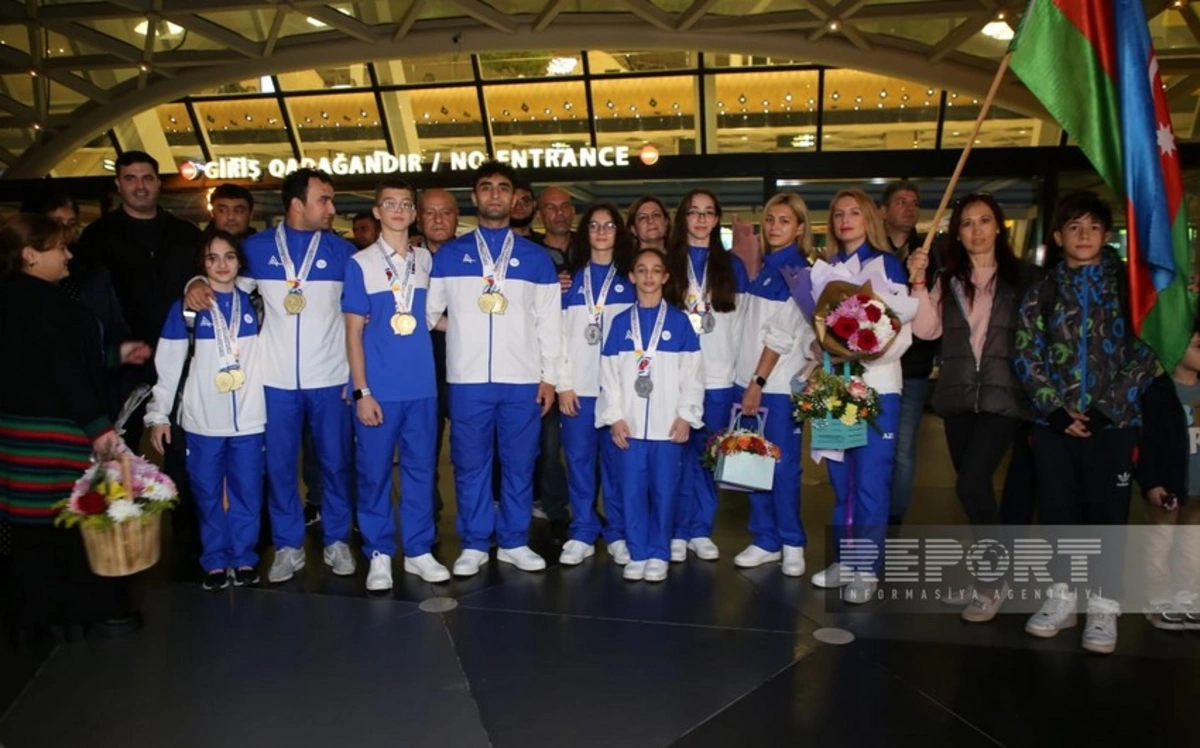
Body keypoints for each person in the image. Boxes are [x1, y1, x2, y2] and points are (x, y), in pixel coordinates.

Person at [185, 168, 357, 585]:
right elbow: (221, 287)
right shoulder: (257, 250)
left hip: (330, 377)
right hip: (273, 381)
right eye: (324, 200)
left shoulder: (344, 252)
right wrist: (193, 282)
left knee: (335, 464)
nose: (332, 208)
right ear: (297, 204)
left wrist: (357, 378)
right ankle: (287, 545)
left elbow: (359, 316)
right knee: (279, 467)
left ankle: (336, 539)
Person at [1015, 191, 1157, 654]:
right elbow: (1026, 349)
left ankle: (1103, 605)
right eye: (1074, 227)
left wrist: (1105, 410)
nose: (1083, 235)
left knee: (1107, 516)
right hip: (1052, 425)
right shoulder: (1043, 289)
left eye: (1093, 227)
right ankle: (1061, 598)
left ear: (1106, 234)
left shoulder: (1128, 287)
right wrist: (1054, 410)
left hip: (1113, 425)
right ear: (1058, 237)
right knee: (1059, 512)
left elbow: (1145, 352)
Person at [0, 213, 150, 640]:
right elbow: (64, 371)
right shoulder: (45, 304)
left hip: (16, 432)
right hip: (55, 433)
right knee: (75, 523)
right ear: (29, 255)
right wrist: (100, 429)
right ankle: (90, 609)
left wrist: (113, 355)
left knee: (33, 530)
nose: (68, 255)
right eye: (59, 247)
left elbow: (38, 362)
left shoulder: (14, 298)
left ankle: (36, 615)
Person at [425, 160, 562, 577]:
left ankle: (515, 540)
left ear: (515, 197)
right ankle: (474, 541)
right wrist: (462, 326)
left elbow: (549, 324)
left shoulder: (537, 259)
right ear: (475, 197)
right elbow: (430, 314)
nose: (495, 195)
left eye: (503, 188)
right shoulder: (450, 254)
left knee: (521, 463)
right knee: (470, 463)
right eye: (487, 187)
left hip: (522, 380)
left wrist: (550, 378)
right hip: (467, 381)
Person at [908, 194, 1037, 622]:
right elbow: (926, 330)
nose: (977, 230)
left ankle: (992, 583)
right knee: (975, 493)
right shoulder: (950, 280)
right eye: (967, 223)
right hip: (959, 398)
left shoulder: (1025, 279)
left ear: (999, 226)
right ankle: (991, 572)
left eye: (984, 221)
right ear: (957, 233)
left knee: (971, 486)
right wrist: (918, 282)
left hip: (1004, 399)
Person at [343, 180, 450, 589]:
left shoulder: (425, 261)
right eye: (390, 203)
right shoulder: (361, 263)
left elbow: (427, 317)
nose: (399, 210)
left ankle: (419, 550)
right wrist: (362, 391)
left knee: (422, 471)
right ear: (376, 211)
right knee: (374, 474)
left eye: (406, 204)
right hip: (380, 390)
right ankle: (379, 552)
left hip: (422, 387)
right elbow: (353, 334)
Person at [145, 231, 265, 590]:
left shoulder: (256, 305)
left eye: (229, 256)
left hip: (251, 417)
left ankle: (244, 557)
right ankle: (214, 559)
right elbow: (168, 365)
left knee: (248, 490)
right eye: (212, 259)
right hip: (201, 419)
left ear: (240, 262)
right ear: (202, 265)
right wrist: (158, 414)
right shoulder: (186, 309)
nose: (222, 265)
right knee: (207, 490)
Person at [809, 189, 912, 602]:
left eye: (853, 212)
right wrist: (820, 349)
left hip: (877, 388)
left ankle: (866, 568)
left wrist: (865, 351)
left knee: (870, 479)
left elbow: (903, 330)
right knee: (841, 479)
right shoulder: (823, 271)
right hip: (835, 386)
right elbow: (812, 331)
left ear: (869, 217)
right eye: (838, 214)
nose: (845, 219)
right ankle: (843, 559)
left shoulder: (885, 265)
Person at [74, 150, 203, 451]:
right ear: (118, 185)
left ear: (159, 183)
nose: (140, 186)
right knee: (118, 449)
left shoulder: (184, 233)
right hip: (124, 364)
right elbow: (87, 304)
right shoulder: (98, 237)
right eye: (130, 179)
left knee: (182, 448)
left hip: (181, 359)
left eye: (147, 178)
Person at [598, 247, 704, 582]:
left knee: (665, 490)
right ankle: (638, 550)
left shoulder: (680, 322)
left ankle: (659, 551)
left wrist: (687, 415)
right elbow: (609, 376)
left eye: (655, 270)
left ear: (665, 277)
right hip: (628, 425)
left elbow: (693, 374)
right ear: (631, 276)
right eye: (641, 270)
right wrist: (615, 417)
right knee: (630, 489)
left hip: (667, 425)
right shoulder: (618, 323)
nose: (648, 276)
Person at [732, 193, 816, 576]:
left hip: (776, 388)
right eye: (770, 219)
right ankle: (766, 539)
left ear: (800, 228)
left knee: (782, 468)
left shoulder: (798, 272)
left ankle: (792, 542)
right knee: (751, 463)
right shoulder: (766, 268)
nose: (775, 226)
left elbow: (781, 336)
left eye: (784, 220)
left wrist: (758, 382)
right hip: (748, 382)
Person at [665, 189, 749, 563]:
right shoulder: (666, 262)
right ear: (683, 218)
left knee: (708, 457)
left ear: (717, 220)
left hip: (718, 376)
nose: (700, 219)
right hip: (675, 377)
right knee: (676, 457)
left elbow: (744, 325)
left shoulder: (733, 266)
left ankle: (701, 529)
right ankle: (676, 530)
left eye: (708, 213)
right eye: (693, 212)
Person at [557, 203, 636, 566]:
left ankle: (618, 531)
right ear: (584, 232)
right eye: (594, 225)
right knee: (579, 463)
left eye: (608, 225)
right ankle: (583, 530)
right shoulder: (568, 280)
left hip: (618, 392)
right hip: (579, 389)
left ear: (619, 233)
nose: (602, 232)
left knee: (618, 465)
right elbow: (554, 337)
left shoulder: (632, 280)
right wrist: (563, 385)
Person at [879, 181, 939, 529]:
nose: (909, 208)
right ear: (883, 210)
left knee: (902, 448)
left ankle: (893, 518)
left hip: (912, 367)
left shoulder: (931, 252)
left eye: (914, 202)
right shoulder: (870, 252)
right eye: (900, 201)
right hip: (869, 367)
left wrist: (922, 277)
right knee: (865, 445)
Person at [1136, 319, 1200, 630]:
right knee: (1159, 542)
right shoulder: (1158, 394)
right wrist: (1151, 482)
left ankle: (1187, 595)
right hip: (1168, 487)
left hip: (1197, 491)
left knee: (1192, 545)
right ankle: (1157, 598)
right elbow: (1144, 443)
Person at [531, 185, 575, 538]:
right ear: (540, 214)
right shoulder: (531, 255)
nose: (559, 213)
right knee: (547, 447)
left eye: (565, 206)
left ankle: (588, 509)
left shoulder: (590, 248)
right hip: (544, 364)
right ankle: (556, 509)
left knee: (585, 445)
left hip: (584, 363)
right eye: (551, 208)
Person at [418, 187, 460, 522]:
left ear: (456, 217)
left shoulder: (472, 261)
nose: (437, 219)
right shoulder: (405, 261)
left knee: (469, 455)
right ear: (419, 217)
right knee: (423, 454)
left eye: (444, 212)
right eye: (430, 213)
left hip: (465, 373)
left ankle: (476, 523)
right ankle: (426, 521)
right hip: (421, 374)